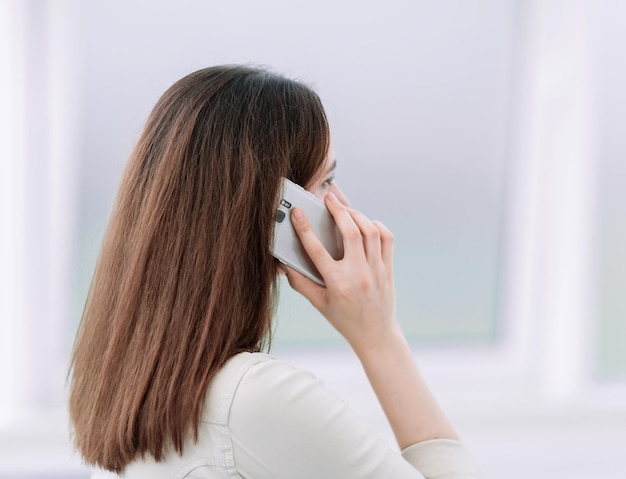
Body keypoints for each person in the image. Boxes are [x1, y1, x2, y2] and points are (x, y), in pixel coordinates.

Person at [68, 65, 481, 478]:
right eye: (326, 183)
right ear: (277, 210)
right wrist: (379, 337)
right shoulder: (258, 399)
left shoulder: (132, 390)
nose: (342, 206)